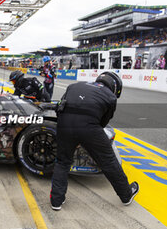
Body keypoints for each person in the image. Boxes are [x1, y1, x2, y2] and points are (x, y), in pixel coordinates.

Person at [50, 72, 139, 211]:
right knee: (108, 161)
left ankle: (56, 201)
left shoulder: (74, 86)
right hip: (89, 129)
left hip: (64, 125)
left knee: (62, 162)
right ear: (114, 87)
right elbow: (103, 123)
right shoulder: (110, 97)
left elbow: (60, 108)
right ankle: (126, 195)